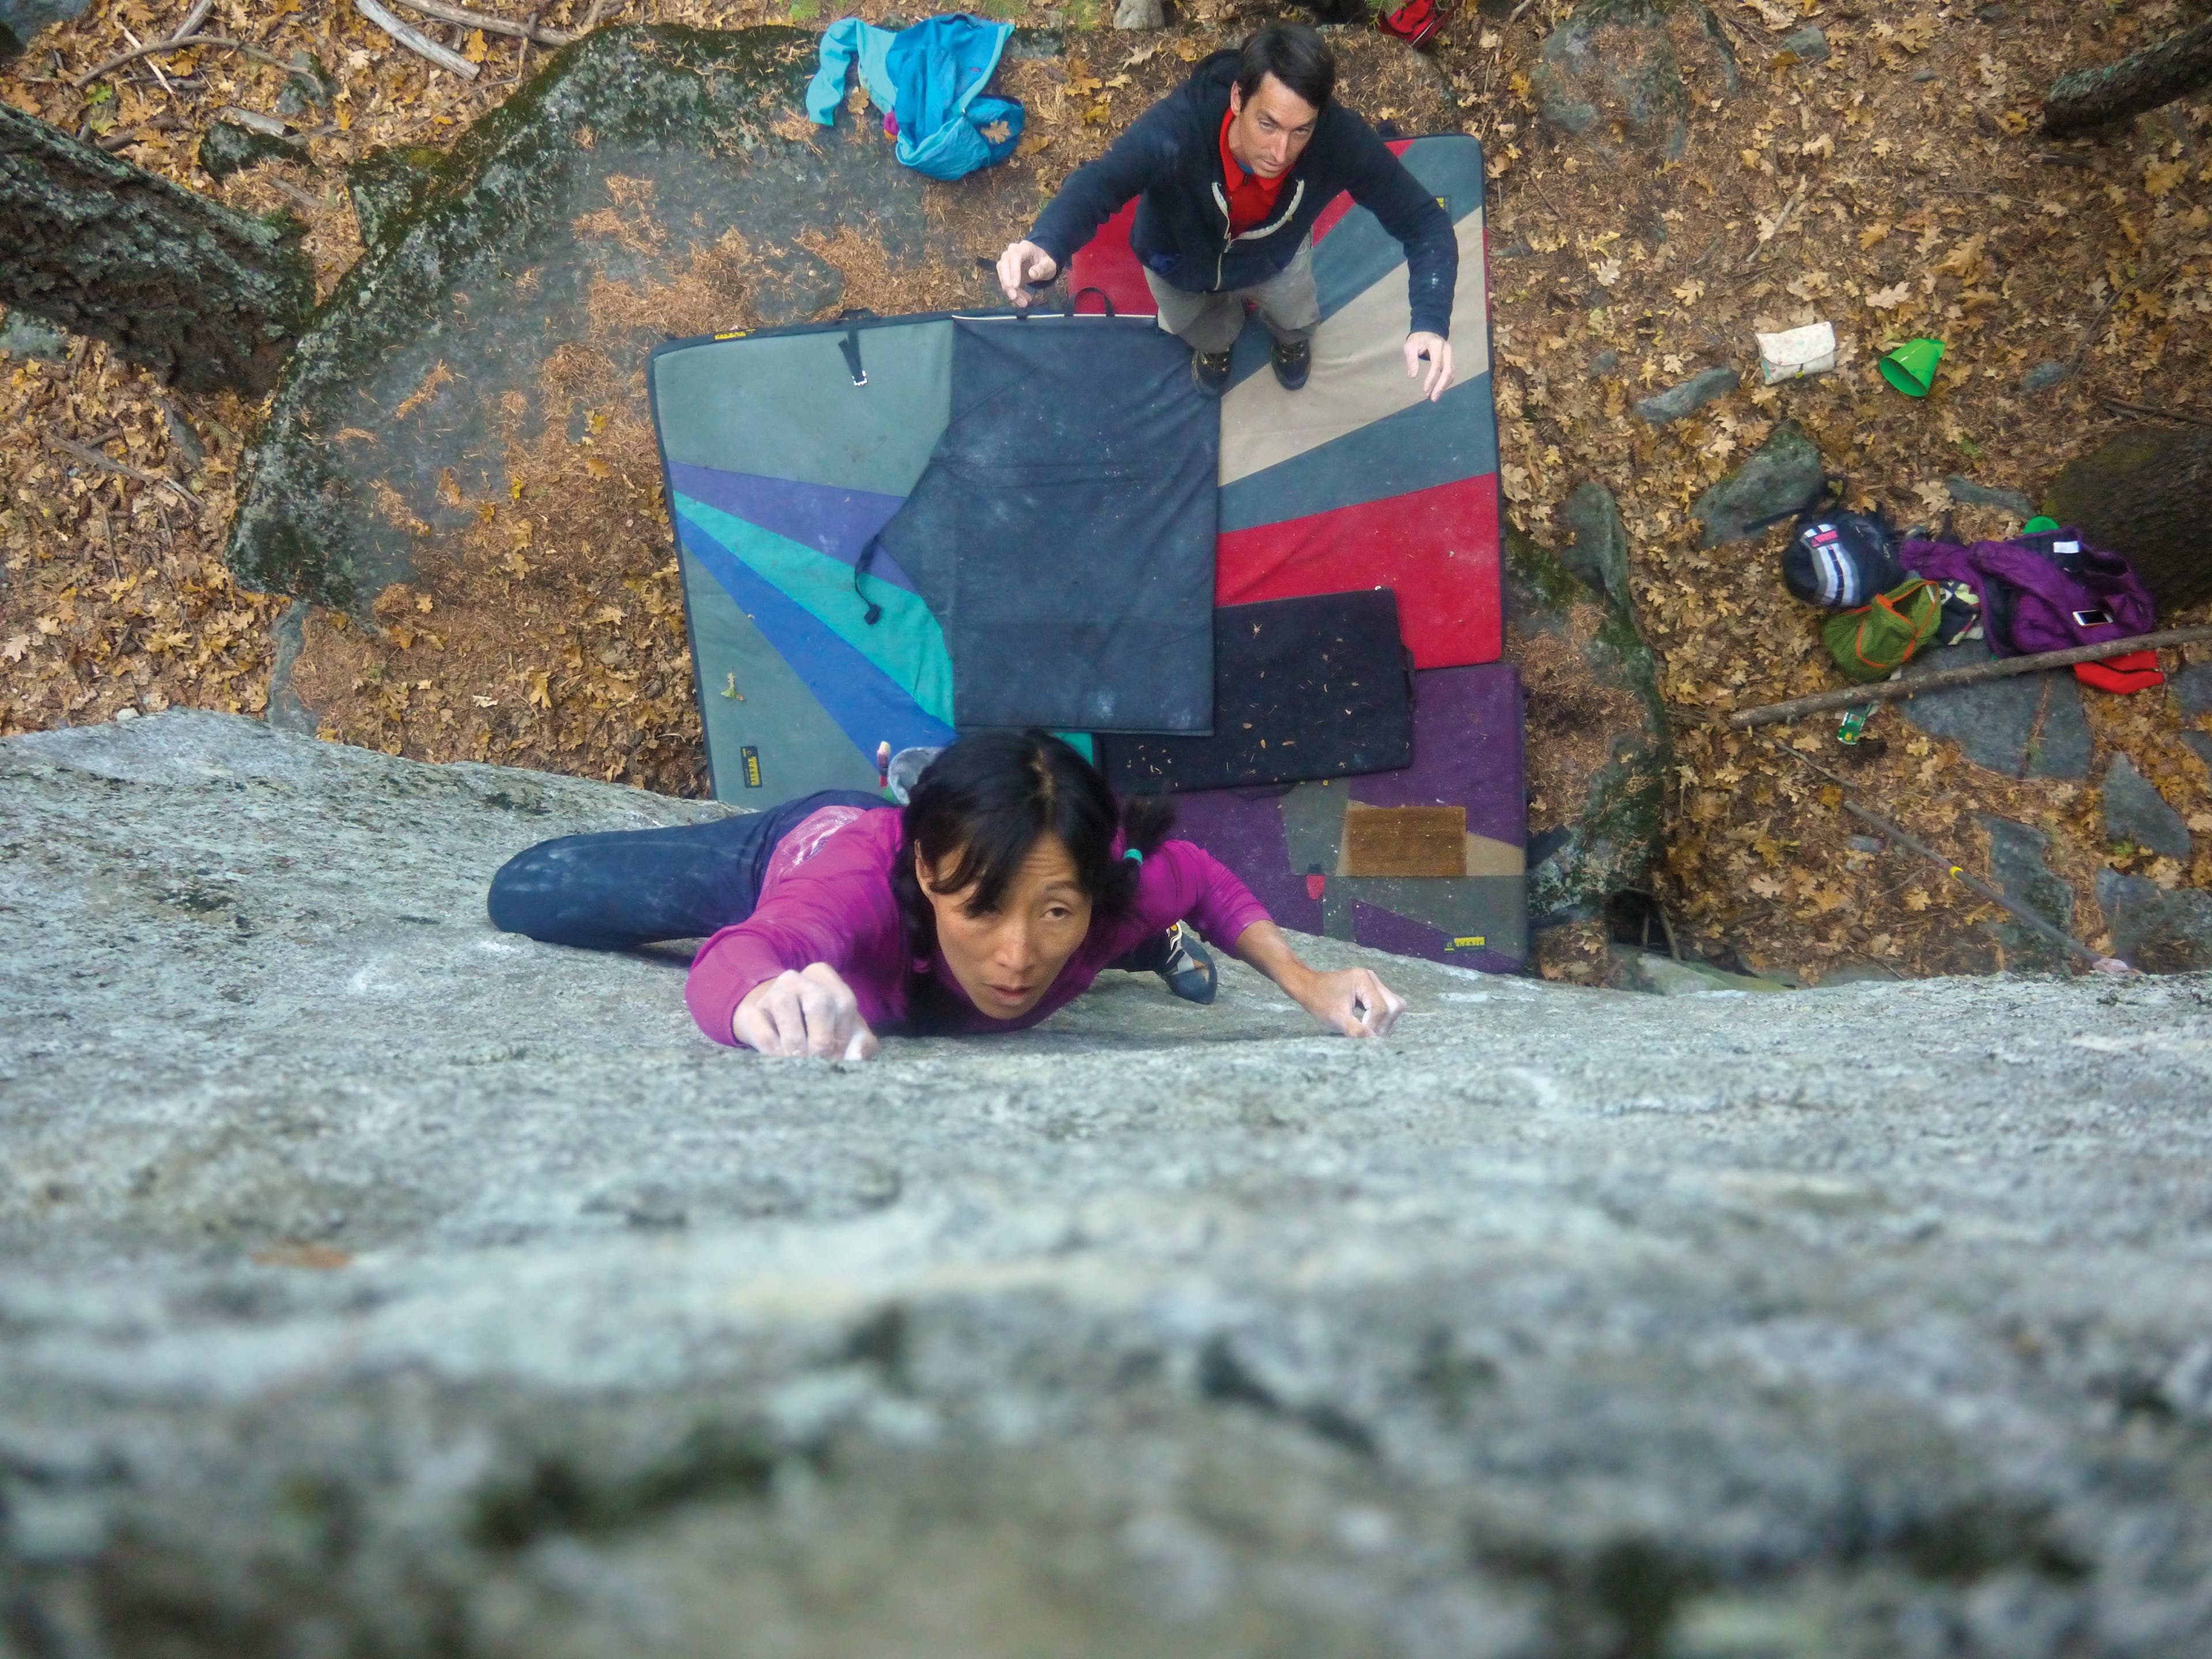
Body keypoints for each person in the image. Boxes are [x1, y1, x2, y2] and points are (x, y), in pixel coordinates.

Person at [487, 730, 1406, 1059]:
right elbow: (738, 958)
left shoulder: (1109, 885)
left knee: (1115, 905)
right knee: (527, 895)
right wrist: (768, 998)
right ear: (931, 879)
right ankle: (906, 794)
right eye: (980, 911)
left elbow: (1197, 879)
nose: (1016, 960)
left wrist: (1307, 980)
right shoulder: (854, 906)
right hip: (798, 851)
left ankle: (1143, 942)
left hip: (1030, 869)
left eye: (1054, 914)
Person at [993, 22, 1458, 402]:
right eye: (1268, 124)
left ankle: (1290, 340)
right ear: (1238, 99)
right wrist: (1047, 242)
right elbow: (1103, 181)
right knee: (1203, 327)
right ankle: (1215, 349)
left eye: (1301, 131)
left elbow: (1425, 223)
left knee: (1295, 313)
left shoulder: (1339, 140)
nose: (1281, 151)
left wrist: (1432, 321)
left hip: (1274, 256)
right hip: (1177, 261)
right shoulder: (1182, 127)